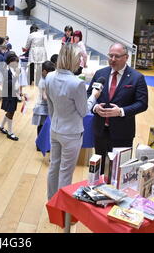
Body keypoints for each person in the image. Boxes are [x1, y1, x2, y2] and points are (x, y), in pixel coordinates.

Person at [46, 44, 100, 199]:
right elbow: (84, 111)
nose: (80, 62)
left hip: (55, 129)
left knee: (54, 167)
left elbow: (50, 107)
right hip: (71, 133)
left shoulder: (49, 77)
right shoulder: (76, 83)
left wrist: (56, 120)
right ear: (71, 60)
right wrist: (94, 97)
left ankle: (51, 200)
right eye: (78, 59)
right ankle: (62, 207)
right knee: (65, 171)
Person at [87, 43, 149, 174]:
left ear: (126, 57)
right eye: (111, 56)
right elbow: (89, 94)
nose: (113, 59)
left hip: (123, 132)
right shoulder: (100, 74)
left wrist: (121, 111)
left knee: (119, 170)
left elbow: (142, 103)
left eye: (117, 56)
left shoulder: (136, 77)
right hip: (100, 130)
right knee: (100, 168)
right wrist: (95, 107)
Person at [32, 60, 55, 147]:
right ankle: (40, 144)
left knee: (44, 127)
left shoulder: (45, 79)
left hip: (45, 107)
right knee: (42, 127)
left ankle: (41, 143)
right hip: (42, 107)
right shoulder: (43, 81)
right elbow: (44, 97)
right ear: (44, 72)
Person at [0, 53, 20, 141]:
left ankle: (1, 126)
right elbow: (7, 84)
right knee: (11, 112)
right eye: (15, 63)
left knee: (11, 111)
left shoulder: (14, 70)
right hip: (9, 94)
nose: (17, 64)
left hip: (13, 94)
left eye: (17, 62)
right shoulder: (6, 71)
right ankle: (10, 133)